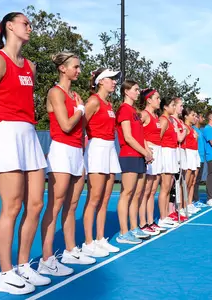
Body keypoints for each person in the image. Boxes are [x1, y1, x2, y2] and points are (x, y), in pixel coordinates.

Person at [0, 12, 50, 295]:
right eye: (25, 23)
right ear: (9, 26)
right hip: (5, 133)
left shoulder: (29, 66)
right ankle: (5, 274)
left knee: (35, 204)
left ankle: (22, 266)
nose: (29, 27)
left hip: (28, 133)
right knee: (12, 206)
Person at [39, 51, 96, 276]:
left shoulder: (75, 96)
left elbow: (80, 130)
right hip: (61, 152)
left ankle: (70, 250)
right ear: (63, 68)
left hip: (76, 154)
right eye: (75, 66)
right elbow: (65, 125)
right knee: (55, 206)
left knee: (72, 206)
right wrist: (81, 111)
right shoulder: (56, 92)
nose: (79, 71)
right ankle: (46, 258)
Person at [81, 67, 122, 257]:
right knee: (94, 198)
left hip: (110, 149)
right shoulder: (93, 101)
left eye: (114, 79)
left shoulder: (109, 104)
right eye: (111, 79)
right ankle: (88, 243)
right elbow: (80, 128)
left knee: (105, 199)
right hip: (96, 148)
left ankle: (99, 239)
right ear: (100, 81)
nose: (114, 82)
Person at [115, 79, 153, 244]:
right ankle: (124, 233)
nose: (138, 93)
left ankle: (133, 227)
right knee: (127, 193)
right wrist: (145, 152)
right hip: (129, 155)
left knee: (137, 194)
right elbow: (128, 137)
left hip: (139, 156)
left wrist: (147, 151)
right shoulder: (124, 109)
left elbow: (140, 135)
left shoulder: (134, 111)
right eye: (136, 90)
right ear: (126, 91)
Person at [138, 88, 165, 235]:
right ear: (148, 100)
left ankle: (150, 221)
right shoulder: (143, 115)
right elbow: (136, 132)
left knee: (153, 190)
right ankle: (142, 223)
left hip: (158, 152)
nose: (159, 100)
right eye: (157, 98)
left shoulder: (155, 116)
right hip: (151, 152)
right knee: (146, 190)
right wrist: (145, 148)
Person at [158, 97, 183, 228]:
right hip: (166, 153)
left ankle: (166, 214)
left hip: (172, 153)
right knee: (165, 188)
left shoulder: (170, 121)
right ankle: (162, 217)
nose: (174, 107)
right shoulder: (163, 120)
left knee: (169, 187)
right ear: (165, 107)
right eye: (172, 105)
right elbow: (159, 138)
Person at [182, 108, 201, 214]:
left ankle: (189, 203)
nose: (195, 117)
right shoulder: (184, 127)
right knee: (186, 181)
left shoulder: (193, 129)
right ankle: (183, 205)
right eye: (193, 115)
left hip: (194, 153)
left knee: (192, 181)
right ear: (186, 116)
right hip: (188, 153)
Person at [193, 113, 208, 207]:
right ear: (197, 118)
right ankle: (193, 200)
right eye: (202, 117)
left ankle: (195, 199)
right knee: (193, 180)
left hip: (202, 158)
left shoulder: (201, 131)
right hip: (196, 158)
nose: (203, 118)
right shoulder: (193, 130)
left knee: (197, 180)